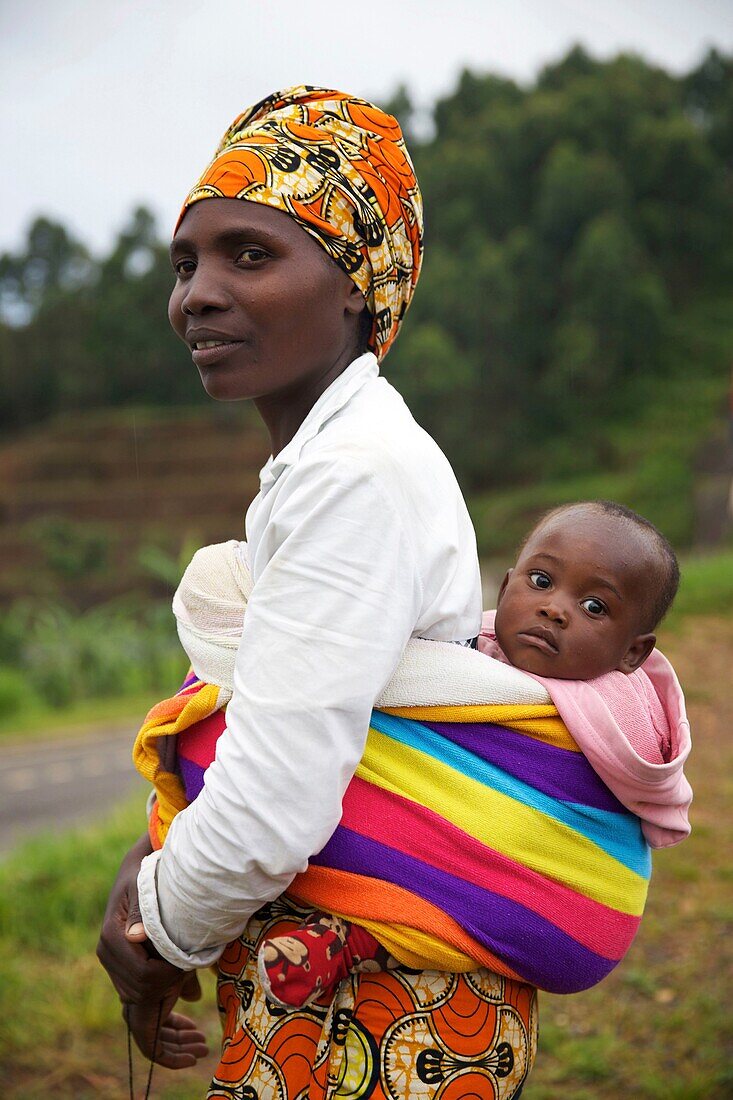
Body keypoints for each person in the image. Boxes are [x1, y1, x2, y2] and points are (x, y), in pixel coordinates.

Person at [98, 87, 539, 1099]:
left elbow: (271, 805)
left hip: (371, 1014)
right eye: (186, 263)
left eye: (248, 254)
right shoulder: (334, 462)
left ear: (357, 285)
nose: (196, 294)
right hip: (348, 991)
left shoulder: (355, 475)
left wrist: (153, 927)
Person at [132, 499, 692, 1016]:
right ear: (504, 587)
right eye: (541, 581)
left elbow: (608, 812)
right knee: (406, 892)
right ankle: (350, 939)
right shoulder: (459, 652)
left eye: (594, 606)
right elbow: (384, 696)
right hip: (403, 900)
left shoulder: (620, 715)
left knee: (446, 914)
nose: (554, 609)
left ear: (634, 652)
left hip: (523, 911)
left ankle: (357, 941)